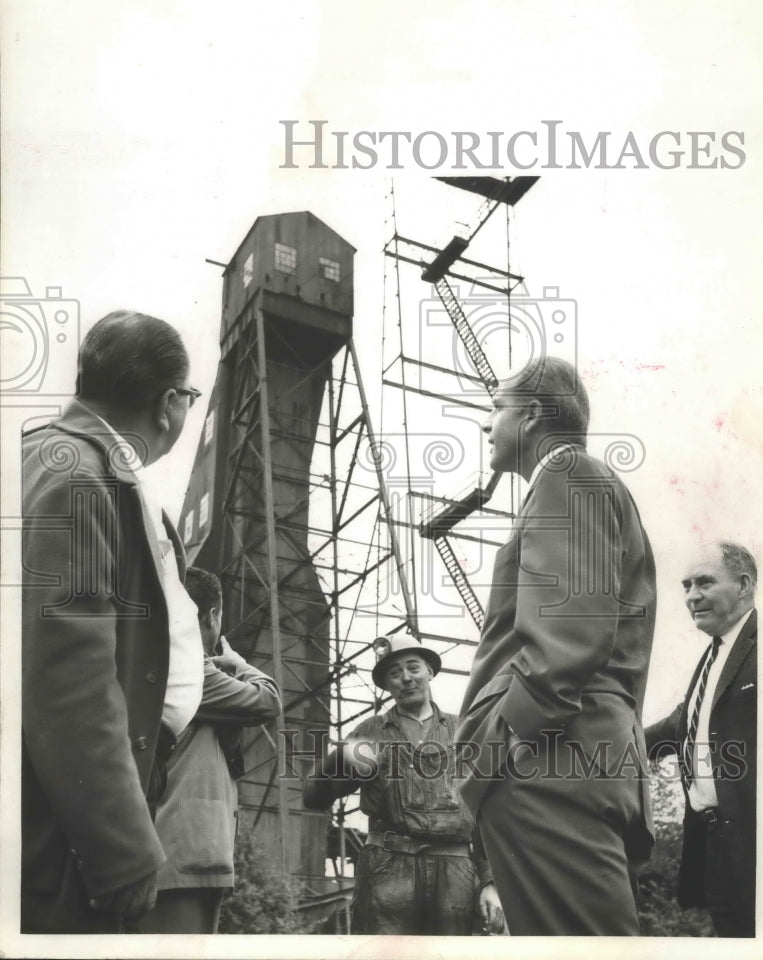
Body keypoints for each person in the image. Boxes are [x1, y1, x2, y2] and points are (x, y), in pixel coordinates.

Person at [455, 356, 657, 936]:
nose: (486, 425)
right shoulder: (578, 480)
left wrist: (495, 748)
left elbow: (567, 642)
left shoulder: (568, 474)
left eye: (496, 408)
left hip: (548, 768)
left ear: (533, 415)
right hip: (565, 762)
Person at [21, 310, 203, 932]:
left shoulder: (73, 463)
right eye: (189, 397)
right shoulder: (77, 473)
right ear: (168, 402)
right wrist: (120, 846)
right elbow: (66, 674)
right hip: (61, 827)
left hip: (68, 806)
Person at [302, 634, 505, 936]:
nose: (406, 678)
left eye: (413, 668)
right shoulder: (369, 732)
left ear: (430, 672)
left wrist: (490, 881)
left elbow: (483, 813)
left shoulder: (463, 731)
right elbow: (313, 798)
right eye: (394, 673)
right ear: (386, 685)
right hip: (388, 870)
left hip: (453, 873)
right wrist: (340, 758)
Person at [137, 567, 281, 933]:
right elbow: (268, 700)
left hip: (178, 857)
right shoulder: (191, 670)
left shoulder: (153, 661)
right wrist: (239, 664)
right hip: (184, 859)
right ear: (213, 616)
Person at [646, 542, 757, 937]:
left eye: (705, 582)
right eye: (687, 585)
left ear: (743, 586)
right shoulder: (714, 657)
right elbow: (681, 726)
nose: (692, 596)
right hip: (715, 845)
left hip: (760, 846)